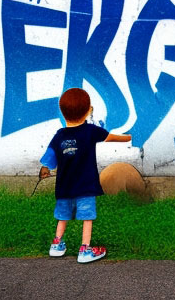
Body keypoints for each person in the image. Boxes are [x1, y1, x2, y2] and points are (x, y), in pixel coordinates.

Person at [39, 87, 131, 263]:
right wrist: (128, 138)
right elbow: (110, 137)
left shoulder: (59, 136)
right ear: (88, 110)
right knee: (87, 217)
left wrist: (45, 169)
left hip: (64, 187)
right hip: (85, 187)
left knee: (62, 216)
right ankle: (85, 250)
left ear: (62, 112)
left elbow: (49, 157)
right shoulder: (90, 131)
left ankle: (56, 245)